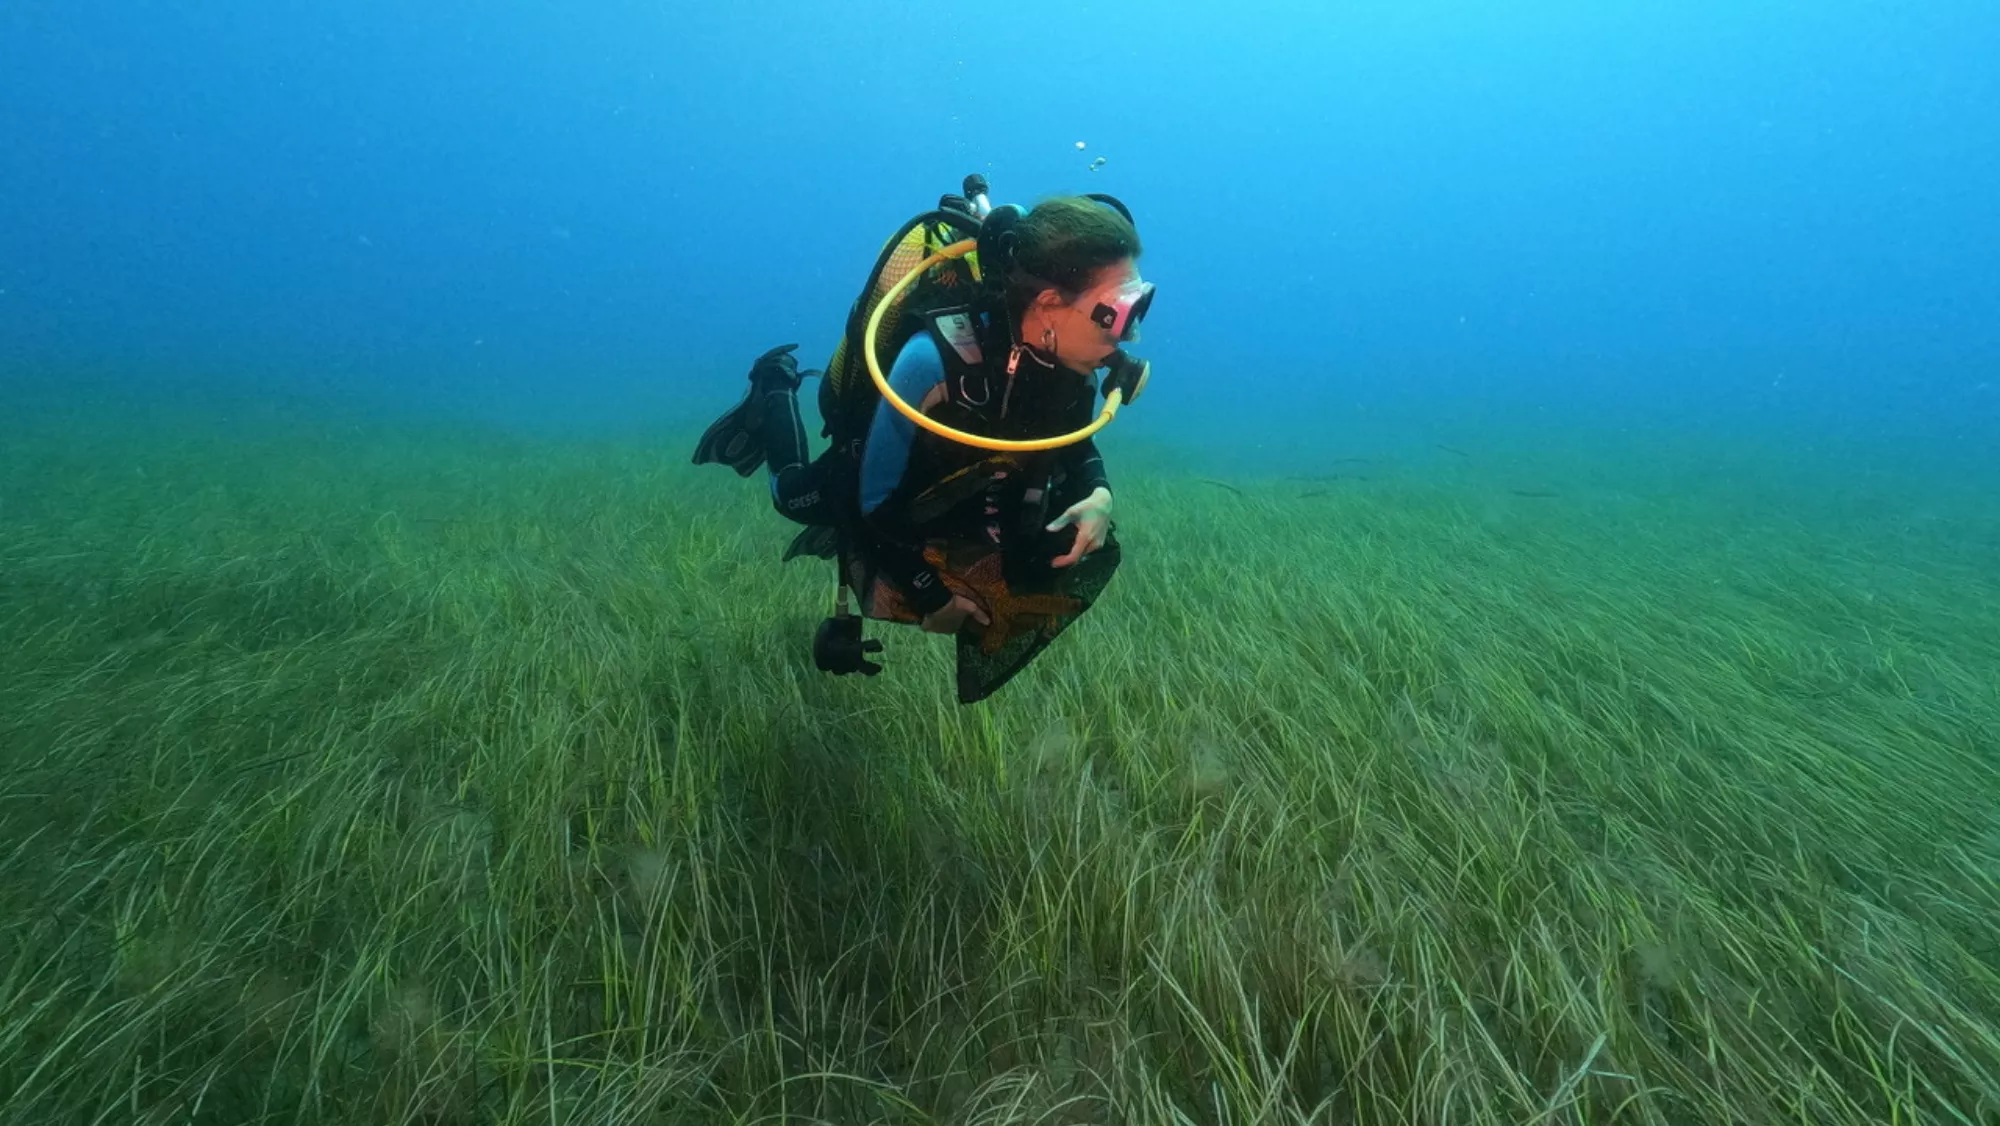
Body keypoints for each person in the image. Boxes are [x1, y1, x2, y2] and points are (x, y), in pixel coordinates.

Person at [694, 184, 1155, 701]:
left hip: (961, 478)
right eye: (1118, 313)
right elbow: (874, 502)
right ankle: (773, 385)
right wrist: (933, 599)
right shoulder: (932, 360)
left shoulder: (1069, 363)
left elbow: (1071, 443)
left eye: (1139, 305)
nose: (1128, 338)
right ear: (1049, 305)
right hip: (884, 479)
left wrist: (1098, 492)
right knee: (791, 496)